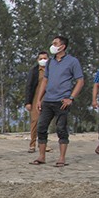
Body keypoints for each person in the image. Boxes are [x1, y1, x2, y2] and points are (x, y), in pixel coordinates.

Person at [31, 35, 85, 167]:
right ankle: (41, 156)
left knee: (61, 129)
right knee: (41, 127)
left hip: (62, 101)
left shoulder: (73, 62)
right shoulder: (50, 62)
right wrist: (39, 99)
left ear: (63, 46)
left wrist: (71, 98)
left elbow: (80, 81)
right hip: (48, 100)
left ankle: (62, 158)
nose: (52, 45)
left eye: (55, 43)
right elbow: (45, 80)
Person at [24, 51, 51, 153]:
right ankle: (32, 144)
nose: (43, 60)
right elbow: (29, 86)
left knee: (44, 122)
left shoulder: (52, 70)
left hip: (49, 99)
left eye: (45, 58)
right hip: (36, 99)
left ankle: (43, 144)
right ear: (37, 60)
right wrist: (28, 102)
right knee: (35, 122)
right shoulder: (34, 71)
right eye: (41, 59)